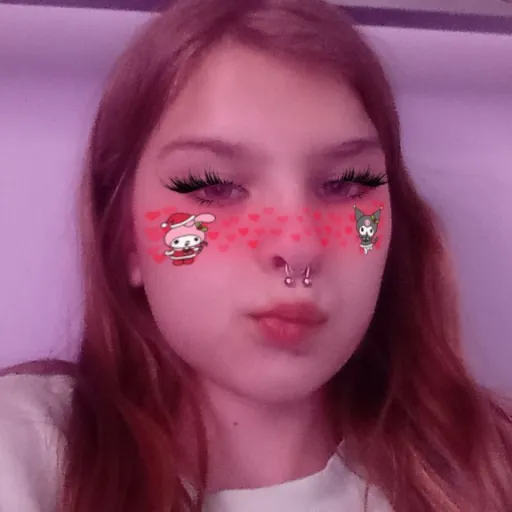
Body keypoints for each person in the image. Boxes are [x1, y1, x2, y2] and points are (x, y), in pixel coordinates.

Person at [1, 0, 511, 510]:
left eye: (345, 184)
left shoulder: (491, 465)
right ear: (125, 237)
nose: (298, 246)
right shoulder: (30, 450)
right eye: (215, 187)